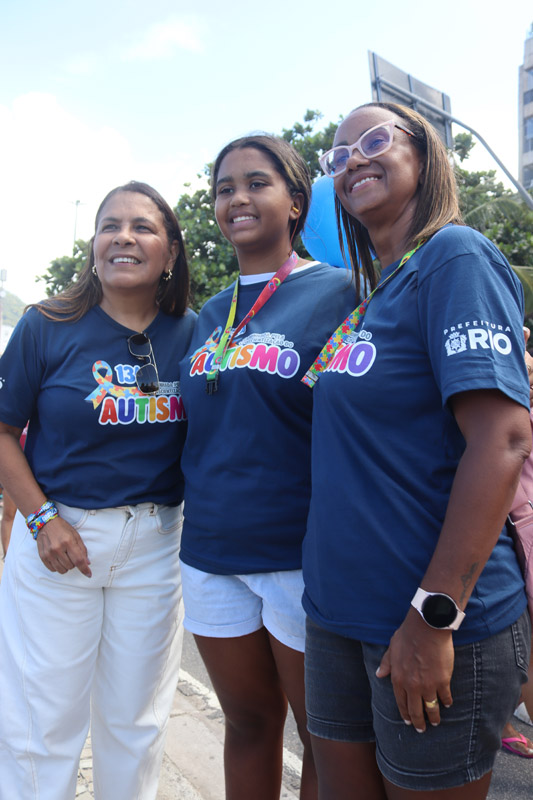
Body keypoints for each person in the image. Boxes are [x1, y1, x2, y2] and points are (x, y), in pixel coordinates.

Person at [301, 103, 532, 799]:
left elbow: (503, 437)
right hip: (336, 614)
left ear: (424, 156)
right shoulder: (371, 295)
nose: (353, 160)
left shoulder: (453, 257)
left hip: (431, 623)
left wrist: (433, 616)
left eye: (374, 140)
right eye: (336, 155)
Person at [0, 181, 196, 800]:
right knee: (40, 721)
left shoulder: (195, 333)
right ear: (94, 246)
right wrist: (40, 520)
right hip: (58, 539)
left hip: (157, 545)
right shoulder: (45, 324)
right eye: (110, 225)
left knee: (135, 724)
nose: (123, 237)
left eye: (142, 226)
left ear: (169, 252)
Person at [178, 134, 357, 800]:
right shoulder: (206, 316)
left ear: (293, 201)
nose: (237, 199)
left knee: (324, 735)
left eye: (257, 183)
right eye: (225, 188)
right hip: (210, 553)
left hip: (298, 555)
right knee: (248, 722)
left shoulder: (340, 293)